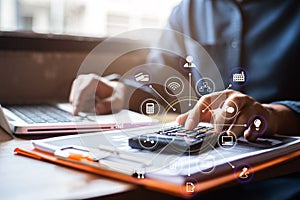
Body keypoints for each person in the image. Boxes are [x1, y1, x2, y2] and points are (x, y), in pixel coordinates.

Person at [69, 0, 300, 199]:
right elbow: (162, 76)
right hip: (202, 168)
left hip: (285, 177)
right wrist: (121, 91)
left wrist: (275, 114)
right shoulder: (188, 9)